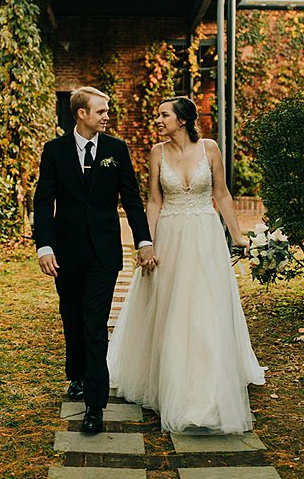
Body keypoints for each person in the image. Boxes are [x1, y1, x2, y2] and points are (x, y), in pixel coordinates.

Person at [107, 96, 266, 434]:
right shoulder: (157, 152)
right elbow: (154, 200)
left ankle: (204, 390)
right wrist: (146, 243)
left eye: (164, 115)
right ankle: (169, 377)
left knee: (205, 309)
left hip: (204, 236)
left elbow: (222, 194)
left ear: (181, 120)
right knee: (170, 306)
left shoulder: (209, 149)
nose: (158, 120)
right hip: (170, 236)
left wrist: (237, 236)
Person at [34, 86, 156, 434]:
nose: (107, 116)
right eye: (101, 111)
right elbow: (43, 201)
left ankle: (94, 406)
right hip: (66, 253)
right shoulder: (54, 151)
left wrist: (143, 240)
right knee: (71, 317)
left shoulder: (116, 150)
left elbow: (131, 199)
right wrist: (45, 247)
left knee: (94, 324)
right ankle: (77, 375)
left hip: (104, 253)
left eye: (107, 111)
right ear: (81, 114)